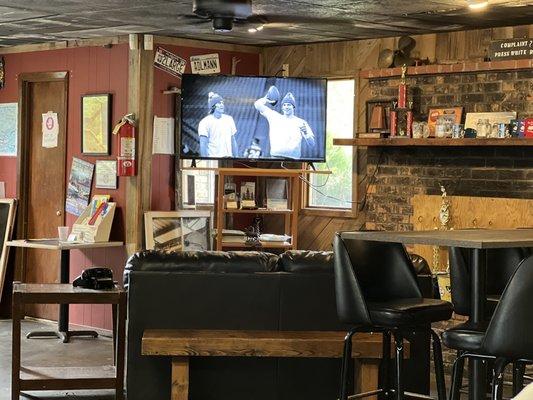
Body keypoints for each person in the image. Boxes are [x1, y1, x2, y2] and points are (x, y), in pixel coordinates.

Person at [254, 86, 315, 159]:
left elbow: (312, 144)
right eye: (284, 105)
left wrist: (306, 134)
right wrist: (265, 99)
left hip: (293, 161)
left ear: (293, 107)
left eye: (289, 105)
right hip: (275, 158)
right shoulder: (274, 116)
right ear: (282, 107)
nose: (286, 107)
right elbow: (257, 105)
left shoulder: (301, 122)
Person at [198, 92, 238, 158]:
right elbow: (203, 144)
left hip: (229, 158)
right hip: (213, 158)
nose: (222, 105)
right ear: (213, 106)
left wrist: (236, 157)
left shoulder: (229, 119)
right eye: (219, 103)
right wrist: (205, 161)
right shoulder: (205, 122)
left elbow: (233, 140)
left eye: (222, 103)